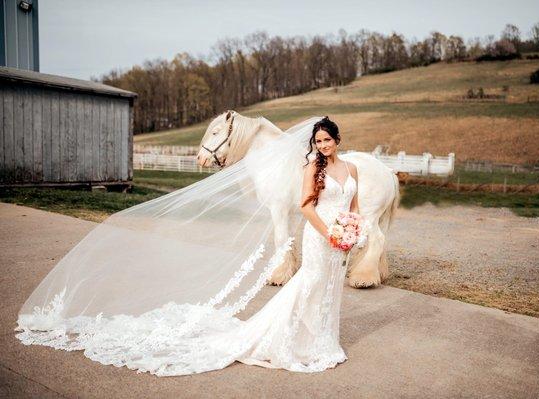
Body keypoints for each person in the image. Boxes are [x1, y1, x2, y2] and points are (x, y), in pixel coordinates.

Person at [15, 116, 360, 376]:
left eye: (327, 140)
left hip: (340, 239)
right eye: (317, 140)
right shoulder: (311, 168)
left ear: (337, 140)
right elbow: (305, 207)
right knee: (310, 285)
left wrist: (352, 230)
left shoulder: (351, 168)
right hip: (320, 236)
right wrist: (329, 232)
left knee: (330, 290)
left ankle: (325, 342)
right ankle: (289, 340)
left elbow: (353, 204)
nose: (322, 145)